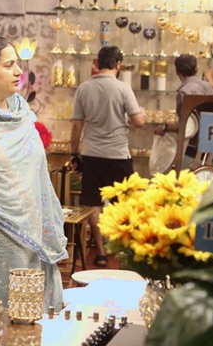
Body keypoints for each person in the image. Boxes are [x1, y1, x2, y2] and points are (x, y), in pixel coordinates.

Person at [0, 34, 68, 310]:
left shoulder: (21, 112)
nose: (18, 71)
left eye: (17, 63)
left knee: (27, 320)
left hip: (30, 234)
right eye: (8, 65)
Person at [69, 45, 146, 267]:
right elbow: (139, 122)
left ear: (97, 63)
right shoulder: (123, 88)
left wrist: (75, 153)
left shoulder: (84, 88)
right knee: (125, 204)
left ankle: (101, 252)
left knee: (94, 203)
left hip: (91, 154)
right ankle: (123, 252)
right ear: (118, 65)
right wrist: (144, 114)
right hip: (118, 155)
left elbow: (76, 126)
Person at [153, 53, 213, 138]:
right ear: (196, 69)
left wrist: (165, 128)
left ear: (177, 72)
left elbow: (186, 126)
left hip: (193, 143)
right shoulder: (210, 87)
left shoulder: (184, 92)